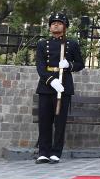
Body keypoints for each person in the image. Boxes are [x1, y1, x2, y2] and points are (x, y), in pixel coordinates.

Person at [34, 12, 84, 164]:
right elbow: (40, 66)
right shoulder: (42, 44)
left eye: (59, 22)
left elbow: (80, 64)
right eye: (53, 22)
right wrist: (50, 80)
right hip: (47, 85)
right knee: (44, 120)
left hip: (63, 85)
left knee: (60, 120)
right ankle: (43, 151)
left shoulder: (71, 44)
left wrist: (70, 65)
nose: (55, 24)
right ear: (49, 27)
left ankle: (56, 152)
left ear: (65, 26)